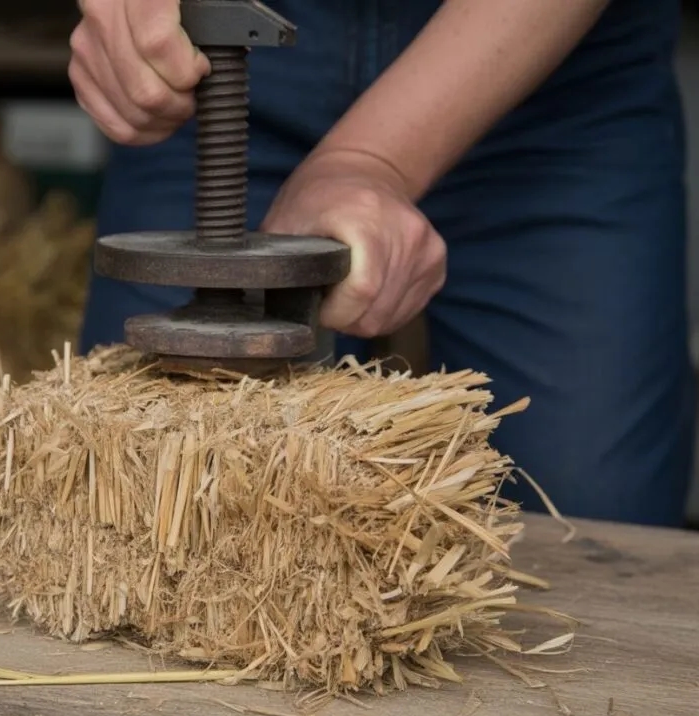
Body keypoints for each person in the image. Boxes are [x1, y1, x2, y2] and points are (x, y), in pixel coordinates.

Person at [67, 0, 695, 528]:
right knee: (126, 494)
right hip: (218, 67)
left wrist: (372, 159)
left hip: (549, 71)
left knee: (589, 513)